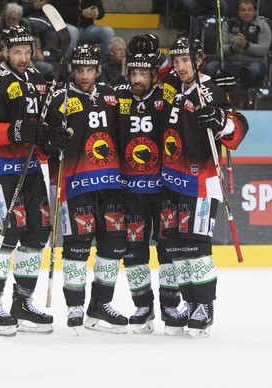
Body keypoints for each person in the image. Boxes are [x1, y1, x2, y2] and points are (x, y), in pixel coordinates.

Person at [0, 25, 67, 336]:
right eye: (17, 52)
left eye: (28, 52)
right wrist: (18, 130)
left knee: (37, 234)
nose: (24, 57)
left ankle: (23, 302)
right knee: (5, 235)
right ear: (4, 51)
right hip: (1, 170)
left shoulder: (39, 81)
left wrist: (50, 137)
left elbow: (42, 133)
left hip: (30, 171)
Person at [159, 36, 248, 338]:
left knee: (196, 248)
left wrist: (220, 121)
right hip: (171, 181)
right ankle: (191, 301)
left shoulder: (209, 90)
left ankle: (205, 307)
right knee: (177, 248)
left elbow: (237, 130)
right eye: (176, 60)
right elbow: (159, 72)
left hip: (199, 183)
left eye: (186, 60)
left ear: (198, 61)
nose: (180, 66)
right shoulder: (176, 84)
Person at [44, 43, 128, 334]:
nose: (84, 75)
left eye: (89, 69)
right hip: (75, 183)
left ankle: (100, 305)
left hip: (111, 182)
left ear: (98, 70)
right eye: (78, 69)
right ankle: (75, 305)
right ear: (71, 70)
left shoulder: (112, 96)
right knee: (77, 247)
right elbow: (42, 145)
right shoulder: (58, 98)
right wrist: (51, 141)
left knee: (114, 244)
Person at [114, 42, 184, 335]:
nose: (138, 79)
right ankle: (143, 305)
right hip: (130, 190)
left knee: (168, 248)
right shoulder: (117, 97)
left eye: (144, 73)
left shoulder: (167, 94)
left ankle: (170, 305)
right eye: (134, 73)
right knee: (133, 250)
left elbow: (185, 82)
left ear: (155, 73)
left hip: (163, 187)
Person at [204, 0, 272, 88]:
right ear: (238, 12)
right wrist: (233, 48)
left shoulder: (263, 26)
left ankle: (251, 97)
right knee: (211, 67)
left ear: (255, 11)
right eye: (243, 10)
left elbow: (263, 50)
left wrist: (245, 44)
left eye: (250, 10)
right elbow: (219, 49)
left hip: (253, 63)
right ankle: (219, 98)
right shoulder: (228, 24)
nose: (246, 13)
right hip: (231, 63)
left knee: (255, 70)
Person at [0, 3, 53, 76]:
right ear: (5, 17)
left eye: (17, 19)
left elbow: (35, 37)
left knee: (48, 68)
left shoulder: (26, 24)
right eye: (11, 18)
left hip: (27, 59)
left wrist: (38, 49)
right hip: (3, 62)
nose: (14, 22)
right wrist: (13, 54)